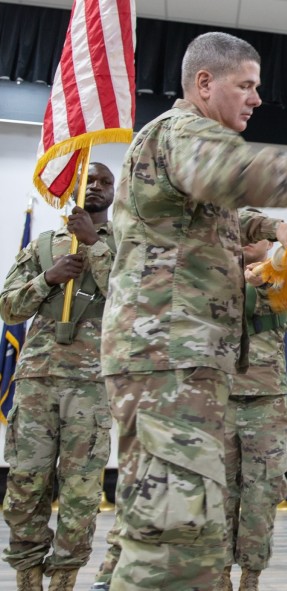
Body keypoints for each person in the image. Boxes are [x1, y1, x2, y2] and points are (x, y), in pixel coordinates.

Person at [99, 31, 287, 591]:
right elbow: (233, 172)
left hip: (180, 363)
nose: (255, 98)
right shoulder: (184, 134)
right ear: (205, 83)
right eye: (245, 86)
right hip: (168, 361)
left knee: (174, 530)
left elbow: (226, 215)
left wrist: (276, 229)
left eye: (257, 88)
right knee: (175, 547)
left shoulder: (184, 152)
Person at [1, 162, 116, 591]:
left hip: (91, 383)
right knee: (26, 482)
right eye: (92, 180)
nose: (99, 187)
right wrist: (47, 279)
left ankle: (64, 578)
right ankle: (27, 577)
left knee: (81, 490)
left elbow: (131, 299)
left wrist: (94, 245)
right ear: (74, 186)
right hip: (38, 379)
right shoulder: (44, 247)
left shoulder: (126, 245)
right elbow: (9, 308)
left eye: (107, 182)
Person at [214, 237, 287, 591]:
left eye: (255, 235)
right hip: (219, 394)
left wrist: (257, 283)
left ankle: (251, 575)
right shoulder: (212, 271)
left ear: (267, 243)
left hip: (266, 396)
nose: (247, 241)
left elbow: (284, 308)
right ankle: (218, 574)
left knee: (262, 490)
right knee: (219, 490)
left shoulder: (283, 272)